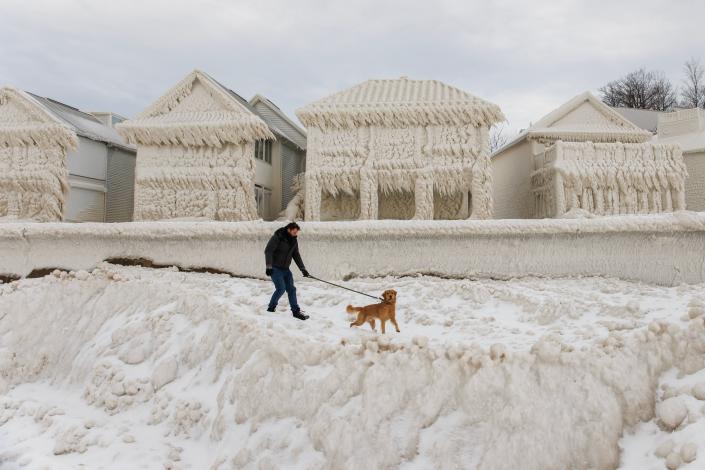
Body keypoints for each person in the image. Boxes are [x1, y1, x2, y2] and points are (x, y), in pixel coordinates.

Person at [264, 222, 310, 320]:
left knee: (291, 289)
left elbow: (296, 255)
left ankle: (296, 311)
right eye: (294, 232)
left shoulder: (293, 241)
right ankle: (271, 308)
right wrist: (269, 267)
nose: (295, 234)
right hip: (275, 268)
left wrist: (303, 269)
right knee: (281, 288)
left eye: (296, 232)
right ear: (289, 229)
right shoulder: (278, 237)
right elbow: (268, 251)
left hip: (286, 269)